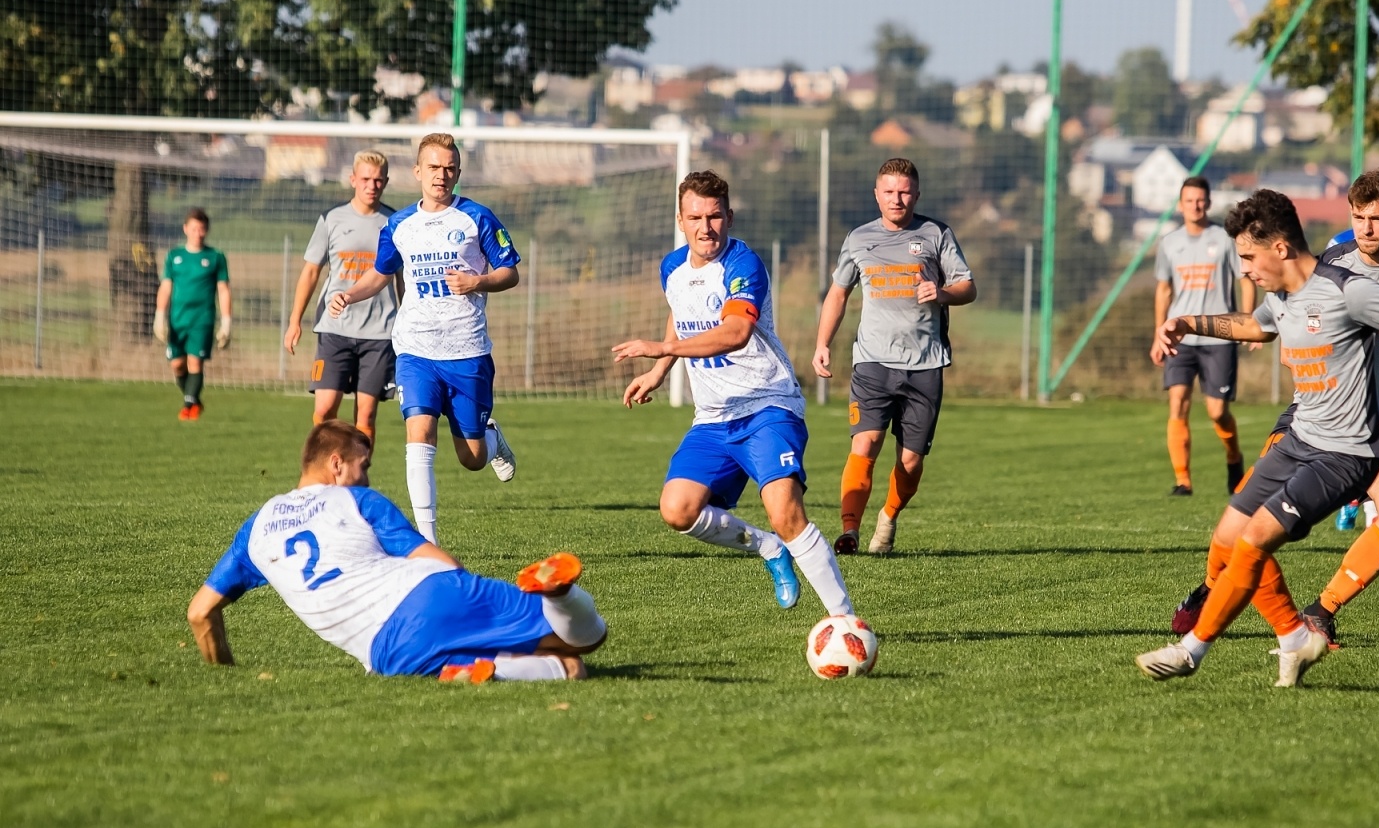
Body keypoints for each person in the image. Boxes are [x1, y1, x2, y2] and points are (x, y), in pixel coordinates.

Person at [1136, 190, 1379, 688]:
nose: (1244, 270)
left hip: (1347, 449)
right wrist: (1185, 323)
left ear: (1280, 248)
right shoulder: (1284, 294)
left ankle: (1192, 650)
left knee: (1256, 540)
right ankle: (1294, 637)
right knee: (1227, 536)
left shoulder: (1350, 290)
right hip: (1300, 435)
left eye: (1248, 258)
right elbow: (1256, 327)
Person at [1169, 171, 1379, 643]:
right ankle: (1211, 587)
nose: (1366, 228)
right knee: (1247, 512)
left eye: (1377, 218)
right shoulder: (1331, 264)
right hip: (1314, 414)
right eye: (1358, 217)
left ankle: (1320, 612)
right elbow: (1282, 319)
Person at [186, 421, 607, 682]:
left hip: (386, 650)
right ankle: (560, 594)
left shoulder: (255, 529)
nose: (366, 478)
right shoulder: (357, 501)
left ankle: (481, 671)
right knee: (585, 643)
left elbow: (200, 613)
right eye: (363, 466)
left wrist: (225, 678)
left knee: (570, 671)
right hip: (429, 593)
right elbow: (441, 562)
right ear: (337, 464)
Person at [612, 169, 855, 618]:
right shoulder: (672, 267)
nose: (706, 227)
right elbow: (679, 313)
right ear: (680, 220)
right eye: (695, 217)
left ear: (730, 217)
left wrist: (664, 349)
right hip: (713, 416)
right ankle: (768, 548)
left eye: (715, 216)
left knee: (785, 512)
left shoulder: (744, 265)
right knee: (678, 510)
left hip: (767, 405)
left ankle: (844, 621)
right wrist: (660, 371)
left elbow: (737, 332)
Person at [329, 133, 520, 544]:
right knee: (419, 435)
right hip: (415, 349)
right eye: (433, 167)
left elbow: (510, 272)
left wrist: (478, 281)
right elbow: (381, 272)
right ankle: (428, 543)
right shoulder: (399, 225)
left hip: (467, 351)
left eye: (449, 168)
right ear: (417, 171)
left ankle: (490, 437)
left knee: (471, 458)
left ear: (458, 173)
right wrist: (350, 293)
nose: (441, 175)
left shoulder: (477, 218)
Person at [813, 158, 975, 555]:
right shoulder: (858, 239)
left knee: (911, 461)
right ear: (876, 194)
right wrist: (822, 343)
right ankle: (850, 530)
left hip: (925, 365)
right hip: (872, 362)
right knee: (865, 443)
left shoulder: (936, 234)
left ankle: (887, 518)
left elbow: (968, 287)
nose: (896, 199)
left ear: (917, 194)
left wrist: (941, 293)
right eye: (889, 191)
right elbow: (838, 293)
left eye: (904, 192)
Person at [283, 150, 399, 449]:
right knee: (324, 411)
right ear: (353, 179)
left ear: (386, 182)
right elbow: (310, 272)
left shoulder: (395, 223)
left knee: (366, 415)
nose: (372, 186)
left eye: (378, 180)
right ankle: (326, 468)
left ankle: (359, 472)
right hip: (334, 329)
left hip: (379, 332)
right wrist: (295, 321)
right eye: (366, 179)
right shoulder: (331, 219)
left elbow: (402, 279)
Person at [1152, 176, 1255, 496]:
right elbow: (1164, 290)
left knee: (1217, 412)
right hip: (1181, 337)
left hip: (1219, 336)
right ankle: (1183, 480)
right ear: (1180, 205)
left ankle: (1233, 457)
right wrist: (1159, 333)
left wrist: (1247, 323)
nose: (1195, 206)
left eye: (1200, 200)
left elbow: (1246, 280)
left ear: (1208, 203)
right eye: (1189, 201)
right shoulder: (1169, 243)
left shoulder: (1224, 239)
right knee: (1178, 404)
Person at [154, 208, 233, 421]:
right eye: (194, 228)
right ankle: (194, 399)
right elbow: (166, 287)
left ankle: (189, 407)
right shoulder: (174, 256)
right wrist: (159, 316)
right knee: (177, 364)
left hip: (202, 319)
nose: (198, 233)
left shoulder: (216, 257)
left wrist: (226, 323)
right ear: (185, 229)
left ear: (207, 230)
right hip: (177, 318)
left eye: (202, 229)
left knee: (195, 362)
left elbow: (224, 290)